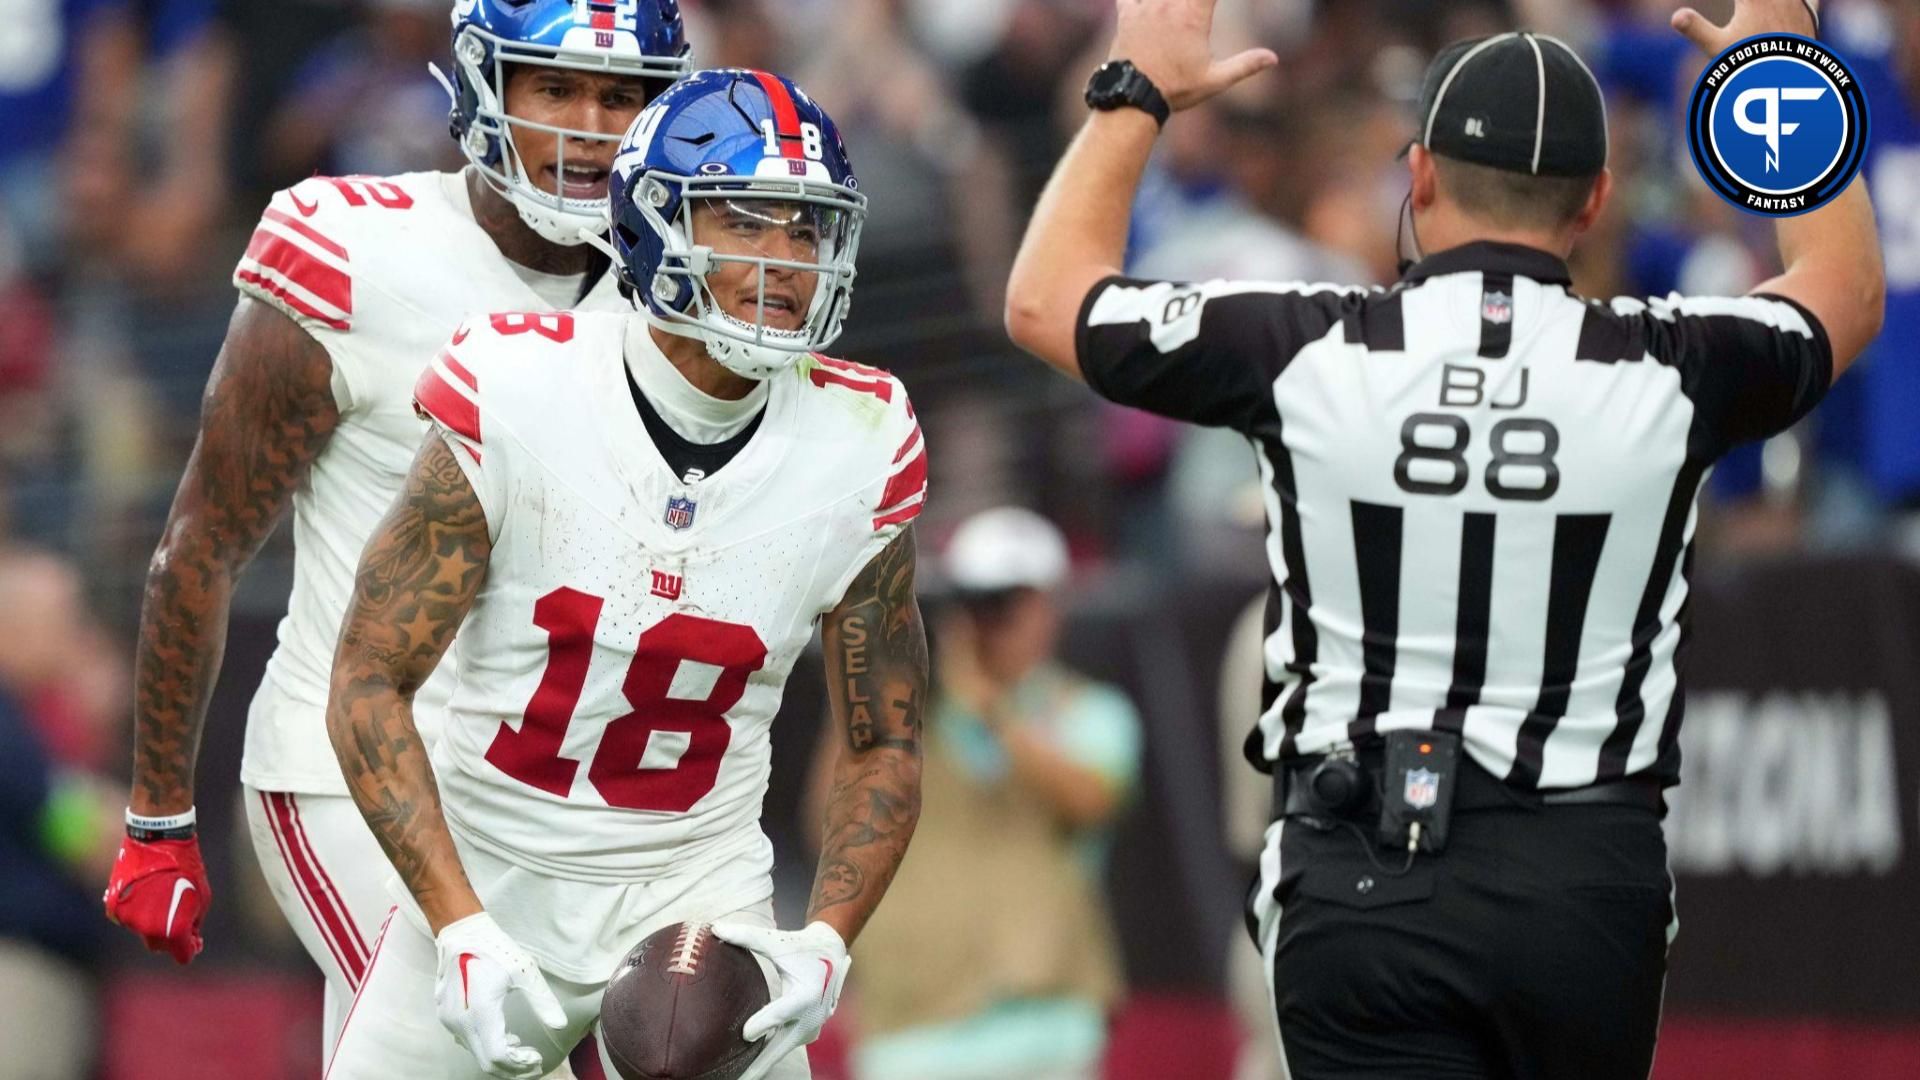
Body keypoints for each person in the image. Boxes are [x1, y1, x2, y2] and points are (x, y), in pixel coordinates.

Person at [1003, 0, 1884, 1076]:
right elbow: (1842, 289)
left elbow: (1048, 300)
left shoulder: (1310, 345)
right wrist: (1777, 72)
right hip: (1583, 877)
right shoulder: (1673, 366)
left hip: (1365, 863)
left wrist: (1132, 94)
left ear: (1416, 178)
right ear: (1595, 201)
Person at [103, 0, 692, 1066]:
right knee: (499, 1044)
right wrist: (157, 813)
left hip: (547, 796)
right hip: (343, 767)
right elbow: (201, 540)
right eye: (554, 87)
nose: (589, 125)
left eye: (621, 96)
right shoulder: (352, 246)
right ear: (481, 86)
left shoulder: (678, 292)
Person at [323, 68, 928, 1080]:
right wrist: (457, 924)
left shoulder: (860, 438)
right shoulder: (519, 386)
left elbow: (886, 740)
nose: (787, 261)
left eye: (808, 231)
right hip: (492, 880)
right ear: (656, 224)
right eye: (749, 223)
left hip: (698, 903)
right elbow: (367, 679)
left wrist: (826, 937)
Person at [830, 507, 1140, 1080]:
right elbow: (836, 819)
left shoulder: (1091, 712)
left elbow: (1089, 799)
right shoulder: (900, 721)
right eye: (973, 604)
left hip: (1048, 1020)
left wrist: (991, 710)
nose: (989, 622)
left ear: (1050, 606)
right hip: (913, 1031)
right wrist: (876, 670)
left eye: (1007, 602)